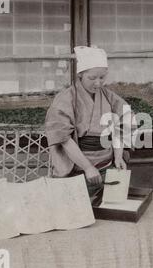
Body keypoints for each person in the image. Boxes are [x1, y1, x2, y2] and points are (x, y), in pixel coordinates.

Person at [45, 46, 130, 196]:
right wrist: (88, 167)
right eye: (92, 78)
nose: (98, 83)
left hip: (108, 165)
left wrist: (118, 156)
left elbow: (123, 123)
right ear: (80, 76)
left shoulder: (109, 96)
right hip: (77, 169)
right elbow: (63, 138)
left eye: (102, 77)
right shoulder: (65, 99)